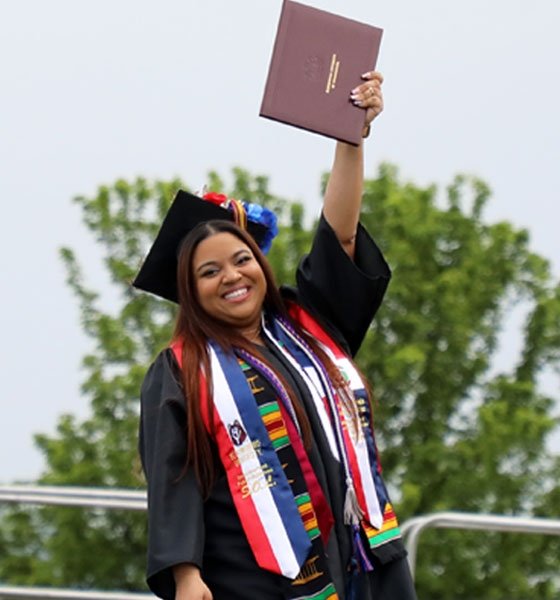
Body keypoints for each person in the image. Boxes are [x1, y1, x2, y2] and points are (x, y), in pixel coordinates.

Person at [134, 71, 417, 600]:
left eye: (242, 259)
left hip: (364, 559)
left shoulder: (308, 326)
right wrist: (185, 575)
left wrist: (350, 138)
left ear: (261, 264)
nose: (233, 276)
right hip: (258, 578)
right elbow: (174, 482)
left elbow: (342, 234)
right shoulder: (180, 369)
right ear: (190, 291)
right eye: (210, 272)